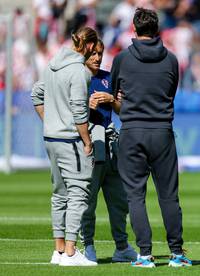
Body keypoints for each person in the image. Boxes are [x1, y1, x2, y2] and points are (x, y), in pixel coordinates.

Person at [111, 7, 192, 268]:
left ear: (134, 28)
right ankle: (176, 254)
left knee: (135, 196)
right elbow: (171, 92)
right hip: (162, 131)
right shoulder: (170, 59)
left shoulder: (122, 59)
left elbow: (115, 95)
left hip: (132, 131)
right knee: (169, 196)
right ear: (157, 29)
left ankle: (144, 255)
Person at [31, 26, 98, 266]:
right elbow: (80, 111)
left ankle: (58, 250)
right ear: (89, 46)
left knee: (59, 194)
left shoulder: (52, 64)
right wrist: (87, 141)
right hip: (70, 140)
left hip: (51, 139)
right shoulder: (79, 71)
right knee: (78, 192)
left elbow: (35, 94)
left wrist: (50, 122)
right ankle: (71, 252)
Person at [80, 39, 137, 263]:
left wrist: (112, 99)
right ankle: (88, 246)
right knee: (88, 200)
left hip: (112, 143)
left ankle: (121, 247)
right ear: (83, 53)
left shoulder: (108, 78)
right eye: (92, 53)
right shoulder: (76, 78)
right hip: (90, 146)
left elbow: (124, 111)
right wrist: (86, 105)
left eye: (100, 53)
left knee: (119, 199)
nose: (97, 57)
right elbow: (65, 108)